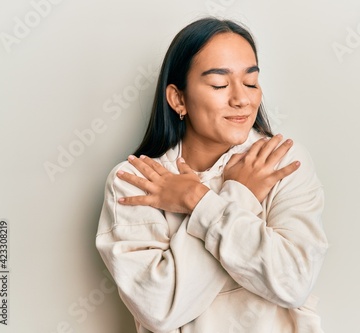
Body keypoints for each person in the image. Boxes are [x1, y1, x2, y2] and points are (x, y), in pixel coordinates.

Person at [96, 17, 328, 333]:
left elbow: (293, 281)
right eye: (219, 84)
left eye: (251, 82)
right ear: (178, 99)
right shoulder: (136, 181)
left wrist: (199, 201)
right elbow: (159, 309)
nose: (242, 99)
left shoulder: (281, 161)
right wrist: (240, 196)